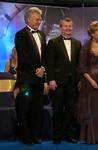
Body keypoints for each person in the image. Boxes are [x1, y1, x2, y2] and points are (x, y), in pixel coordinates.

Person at [46, 17, 81, 144]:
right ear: (61, 27)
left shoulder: (78, 43)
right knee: (58, 110)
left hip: (72, 83)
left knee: (71, 111)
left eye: (70, 26)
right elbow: (49, 63)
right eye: (66, 26)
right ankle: (57, 136)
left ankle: (70, 135)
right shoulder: (53, 42)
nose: (68, 28)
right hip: (58, 82)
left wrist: (79, 80)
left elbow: (78, 64)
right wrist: (51, 80)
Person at [14, 7, 46, 145]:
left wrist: (43, 68)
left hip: (39, 80)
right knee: (25, 107)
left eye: (40, 19)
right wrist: (36, 70)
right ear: (28, 19)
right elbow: (23, 56)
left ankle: (35, 135)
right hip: (26, 80)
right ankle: (25, 137)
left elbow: (45, 55)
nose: (39, 21)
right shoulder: (20, 35)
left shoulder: (42, 35)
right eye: (37, 19)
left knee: (37, 108)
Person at [77, 21, 98, 144]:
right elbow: (82, 67)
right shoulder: (86, 47)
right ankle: (92, 137)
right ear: (92, 34)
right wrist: (91, 81)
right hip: (91, 81)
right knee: (92, 110)